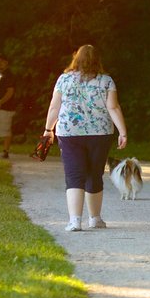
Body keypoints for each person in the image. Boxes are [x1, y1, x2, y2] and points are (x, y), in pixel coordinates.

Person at [43, 45, 129, 232]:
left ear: (76, 58)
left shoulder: (64, 79)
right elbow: (113, 108)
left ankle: (75, 221)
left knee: (74, 175)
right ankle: (95, 219)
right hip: (100, 133)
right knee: (94, 174)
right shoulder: (106, 81)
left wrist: (48, 130)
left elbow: (54, 107)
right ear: (98, 59)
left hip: (69, 132)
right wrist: (123, 131)